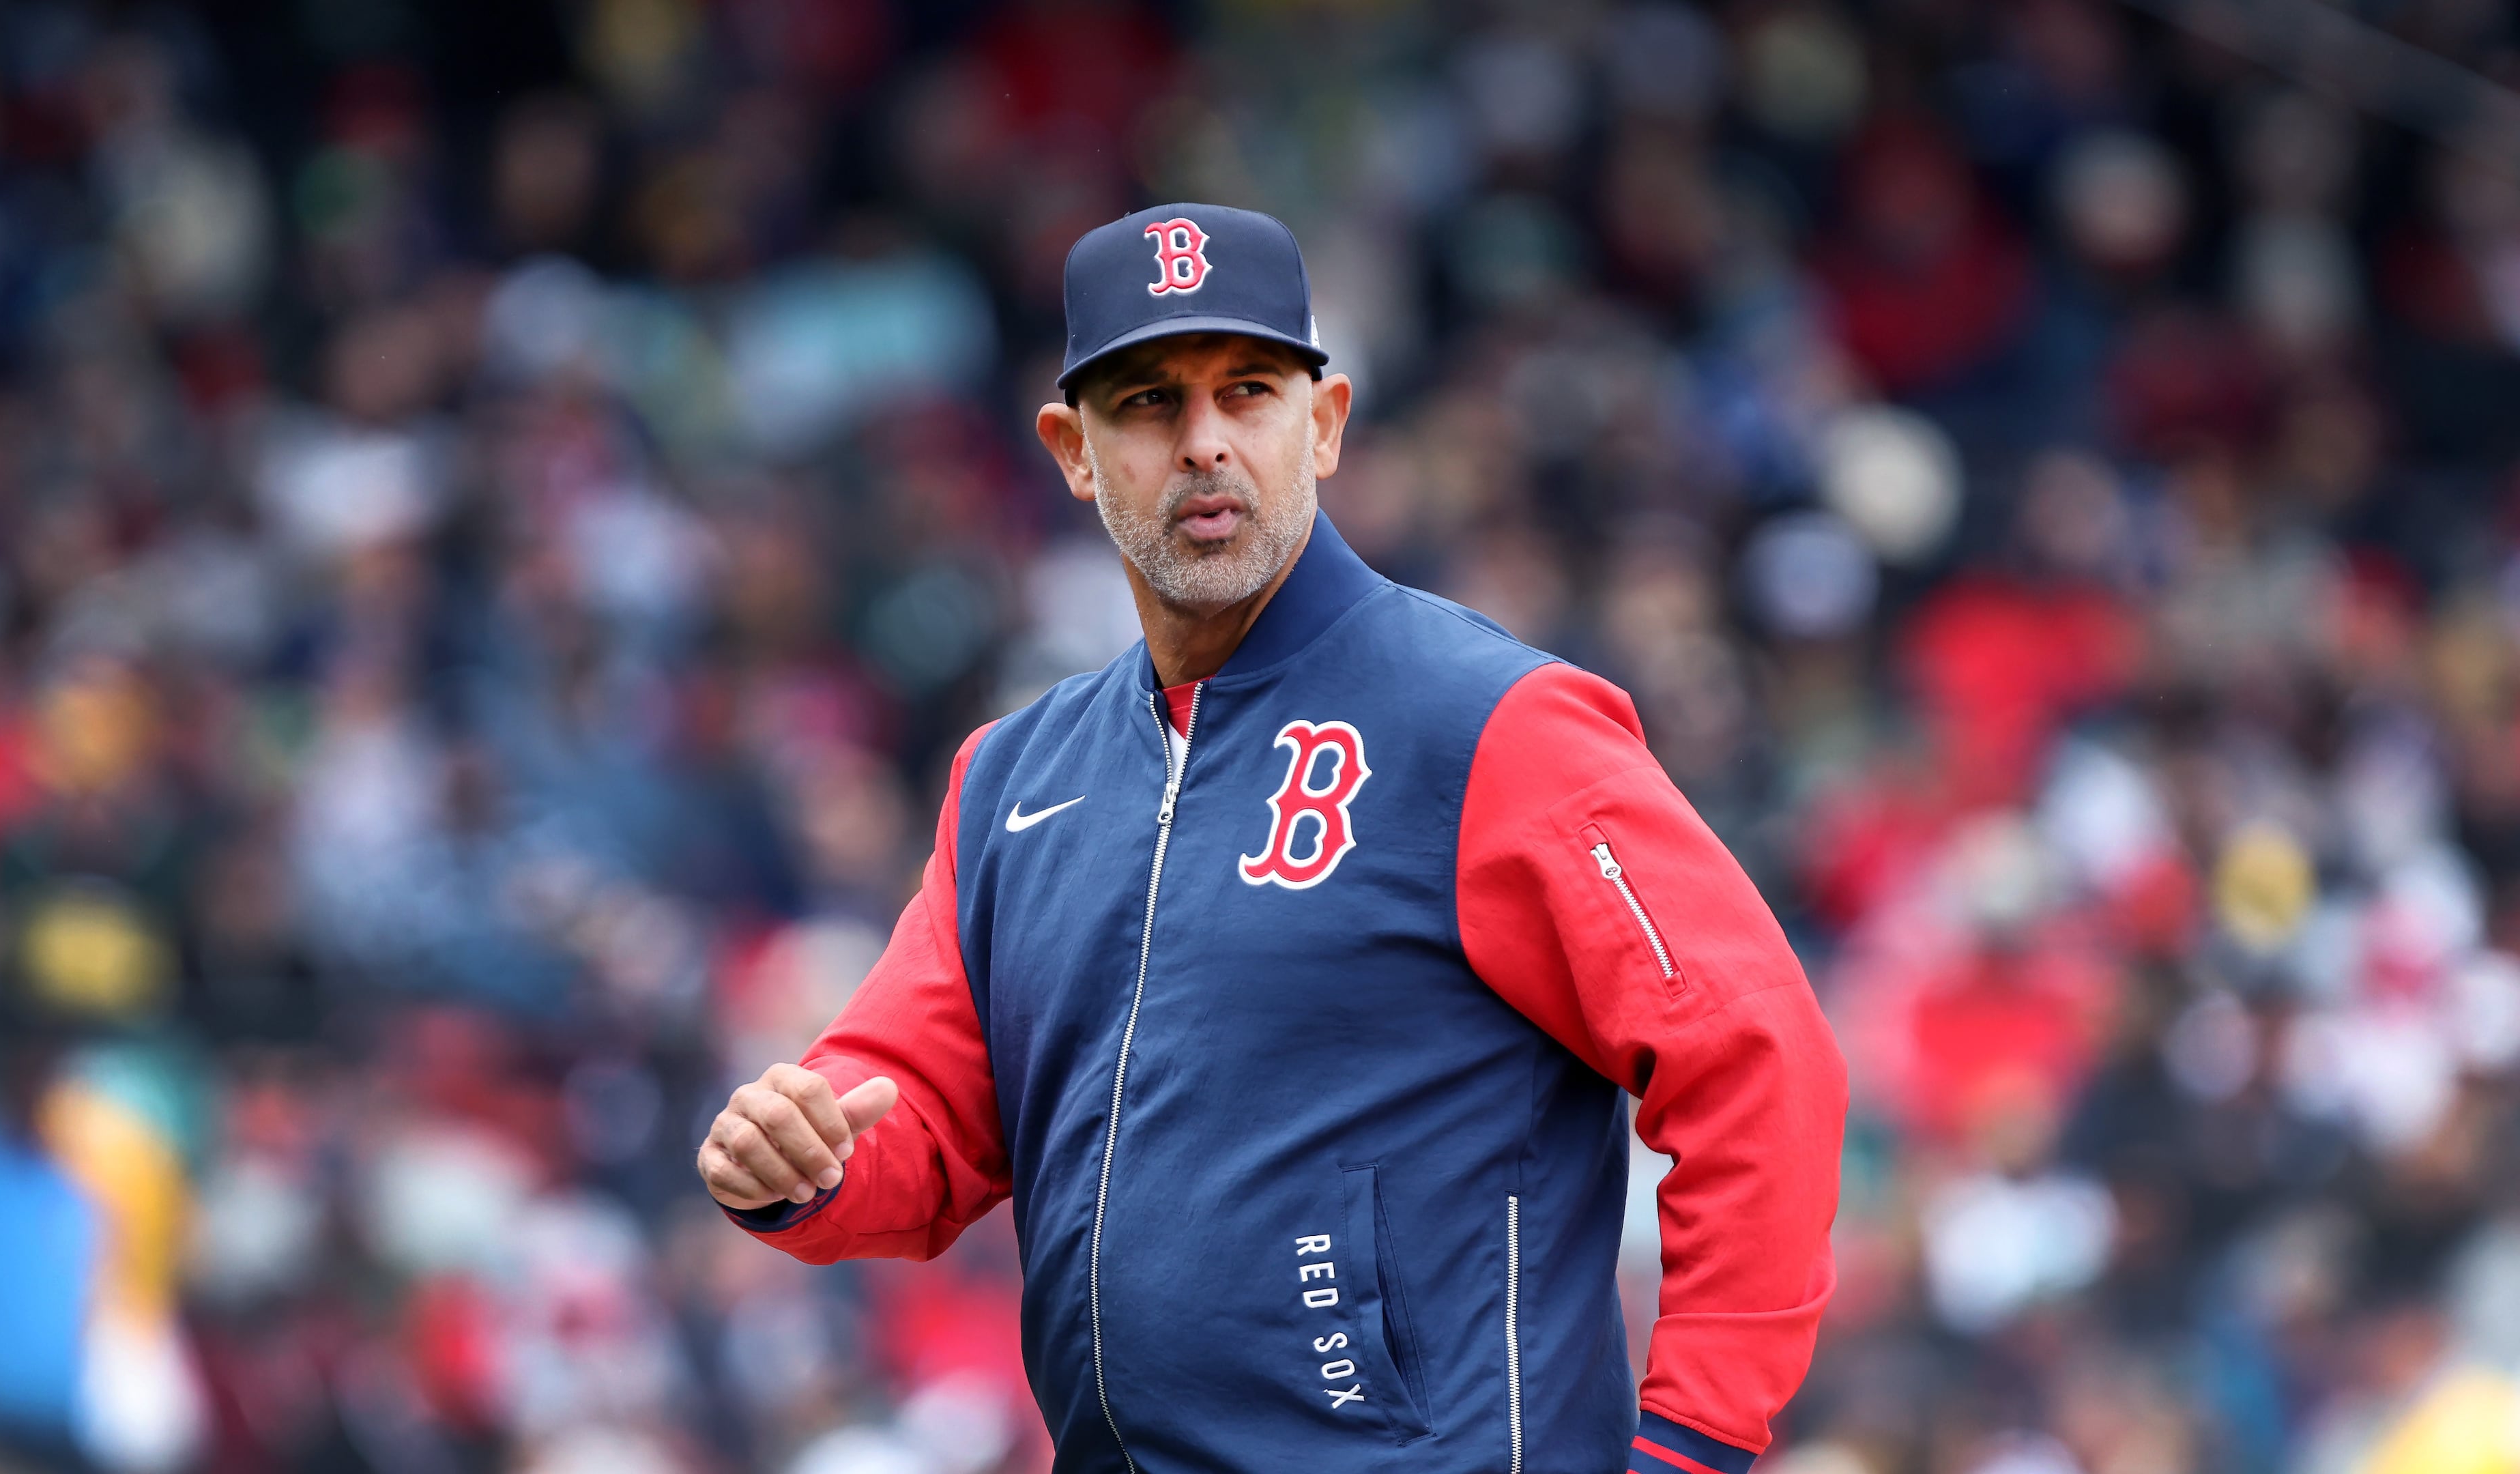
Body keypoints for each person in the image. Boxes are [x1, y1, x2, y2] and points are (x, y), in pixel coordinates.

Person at [698, 203, 1845, 1474]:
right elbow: (912, 1117)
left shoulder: (1491, 724)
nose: (1204, 445)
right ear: (1073, 452)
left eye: (1247, 391)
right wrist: (797, 1164)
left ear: (1327, 423)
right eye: (1146, 404)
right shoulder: (1012, 779)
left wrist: (1693, 1440)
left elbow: (1756, 1056)